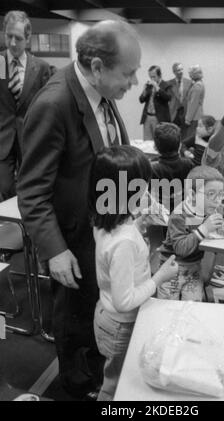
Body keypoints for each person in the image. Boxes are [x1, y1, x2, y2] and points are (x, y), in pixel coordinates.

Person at [17, 20, 141, 398]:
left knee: (95, 315)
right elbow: (32, 190)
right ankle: (74, 385)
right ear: (98, 67)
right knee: (72, 322)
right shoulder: (54, 103)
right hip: (72, 239)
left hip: (102, 231)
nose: (133, 83)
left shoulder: (103, 96)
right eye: (129, 73)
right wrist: (54, 251)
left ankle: (93, 377)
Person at [90, 145, 178, 401]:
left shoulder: (104, 219)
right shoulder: (125, 241)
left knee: (116, 377)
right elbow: (124, 300)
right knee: (118, 385)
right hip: (121, 323)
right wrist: (159, 277)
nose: (149, 192)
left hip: (110, 315)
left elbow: (114, 253)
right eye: (144, 187)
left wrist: (138, 223)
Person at [158, 165, 224, 302]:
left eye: (221, 194)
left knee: (194, 305)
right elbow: (181, 248)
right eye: (211, 194)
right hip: (172, 269)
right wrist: (204, 229)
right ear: (193, 195)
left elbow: (223, 208)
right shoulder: (179, 216)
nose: (217, 200)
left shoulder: (210, 206)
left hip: (194, 267)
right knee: (167, 307)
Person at [0, 10, 50, 201]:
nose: (12, 43)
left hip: (30, 137)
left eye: (18, 38)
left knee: (31, 186)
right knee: (4, 188)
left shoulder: (41, 67)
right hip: (3, 138)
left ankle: (27, 225)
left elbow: (46, 106)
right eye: (9, 36)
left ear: (28, 39)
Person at [151, 122, 194, 212]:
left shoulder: (153, 168)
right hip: (183, 212)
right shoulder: (188, 164)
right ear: (179, 145)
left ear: (155, 147)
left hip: (161, 215)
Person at [139, 65, 171, 140]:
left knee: (158, 141)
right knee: (147, 141)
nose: (152, 79)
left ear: (160, 75)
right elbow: (141, 100)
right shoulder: (149, 86)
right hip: (147, 117)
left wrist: (157, 88)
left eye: (154, 76)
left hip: (159, 118)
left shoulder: (166, 85)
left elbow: (168, 98)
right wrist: (144, 91)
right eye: (150, 77)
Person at [182, 64, 205, 139]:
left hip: (194, 117)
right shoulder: (198, 84)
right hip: (196, 115)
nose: (189, 76)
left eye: (190, 74)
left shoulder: (197, 86)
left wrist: (188, 119)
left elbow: (193, 104)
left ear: (195, 74)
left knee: (190, 137)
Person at [167, 62, 192, 130]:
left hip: (186, 113)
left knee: (185, 134)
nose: (181, 72)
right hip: (174, 113)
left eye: (182, 69)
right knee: (174, 133)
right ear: (174, 72)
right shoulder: (168, 84)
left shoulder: (190, 82)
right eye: (178, 70)